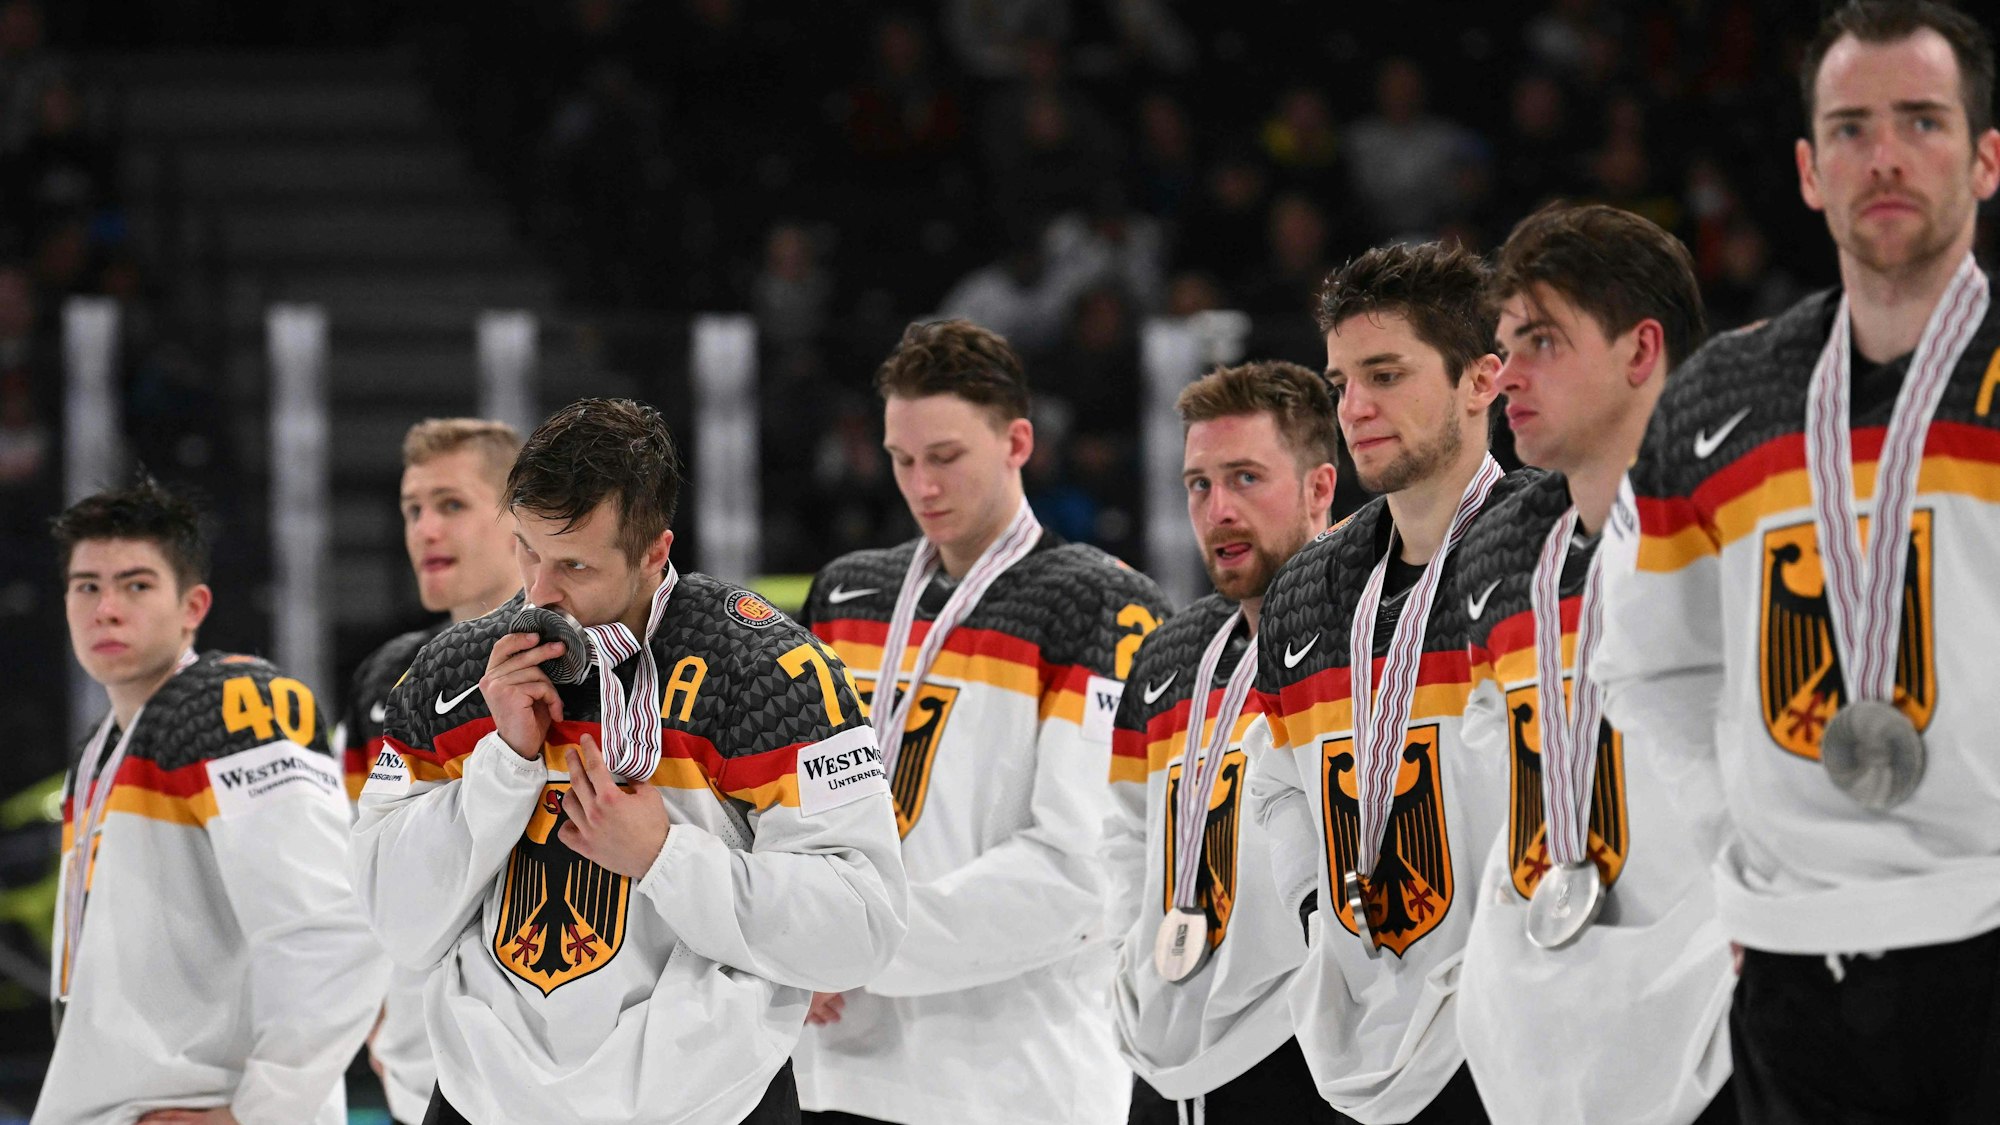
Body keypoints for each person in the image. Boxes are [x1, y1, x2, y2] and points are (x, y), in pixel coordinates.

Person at [1595, 3, 2000, 1121]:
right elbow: (1649, 664)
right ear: (1808, 169)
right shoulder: (1719, 399)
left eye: (1920, 121)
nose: (1882, 155)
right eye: (1849, 126)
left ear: (1984, 157)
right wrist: (1742, 837)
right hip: (1789, 964)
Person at [351, 398, 907, 1125]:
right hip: (484, 1104)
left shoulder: (771, 670)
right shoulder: (452, 675)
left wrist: (665, 855)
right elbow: (397, 922)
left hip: (710, 1107)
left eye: (574, 563)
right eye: (525, 549)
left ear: (653, 553)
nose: (539, 593)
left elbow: (863, 927)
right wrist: (506, 761)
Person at [793, 318, 1169, 1125]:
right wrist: (788, 934)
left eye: (946, 456)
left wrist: (858, 943)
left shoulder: (1099, 603)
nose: (922, 485)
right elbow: (785, 811)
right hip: (840, 1061)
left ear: (1017, 441)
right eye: (902, 459)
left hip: (1018, 1078)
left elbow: (1080, 868)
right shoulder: (846, 595)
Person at [1453, 202, 1734, 1125]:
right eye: (1503, 345)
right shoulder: (1498, 562)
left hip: (1723, 1031)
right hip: (1552, 1044)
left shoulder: (1750, 527)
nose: (1507, 376)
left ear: (1640, 352)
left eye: (1541, 341)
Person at [1247, 241, 1527, 1124]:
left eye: (1386, 373)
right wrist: (1311, 909)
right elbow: (1275, 776)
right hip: (1359, 1032)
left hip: (1515, 1029)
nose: (1355, 408)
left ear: (1482, 380)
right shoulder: (1307, 587)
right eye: (1339, 383)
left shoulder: (1545, 546)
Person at [36, 477, 386, 1124]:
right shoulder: (99, 748)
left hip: (200, 1102)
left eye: (137, 584)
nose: (106, 607)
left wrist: (259, 1113)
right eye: (87, 585)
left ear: (192, 605)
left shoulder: (232, 704)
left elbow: (335, 929)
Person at [1108, 360, 1340, 1124]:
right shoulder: (1169, 657)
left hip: (1306, 1054)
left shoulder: (1362, 637)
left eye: (1245, 477)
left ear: (1318, 487)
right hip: (1165, 1060)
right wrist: (1130, 962)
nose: (1217, 509)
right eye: (1199, 484)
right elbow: (1126, 832)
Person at [334, 418, 522, 1125]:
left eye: (451, 504)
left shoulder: (586, 661)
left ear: (520, 519)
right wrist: (381, 1016)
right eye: (413, 508)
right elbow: (356, 868)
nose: (424, 529)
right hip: (422, 1060)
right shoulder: (386, 677)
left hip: (557, 1036)